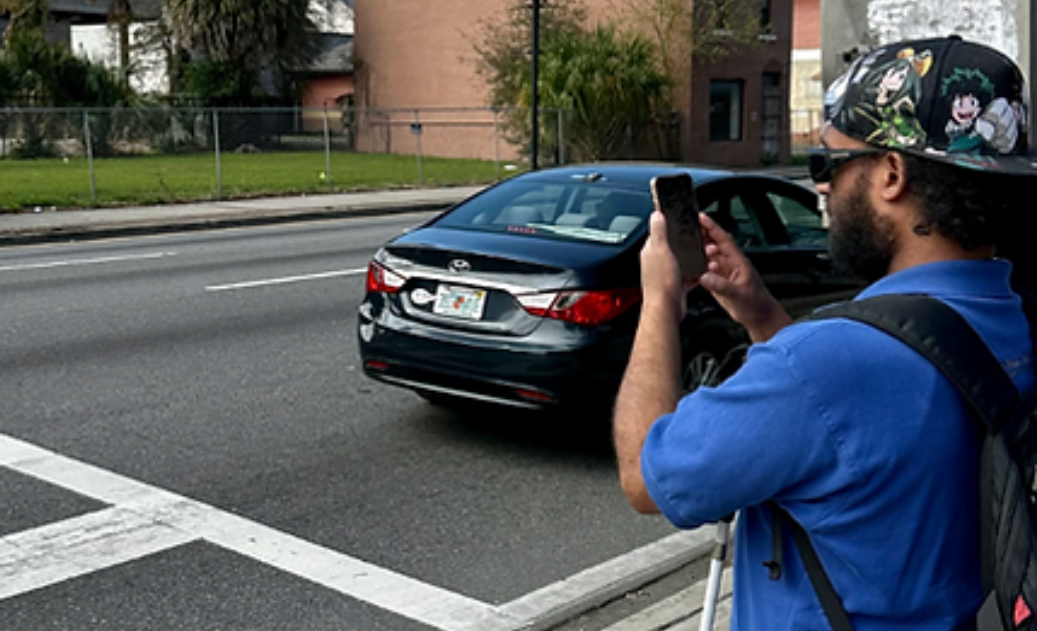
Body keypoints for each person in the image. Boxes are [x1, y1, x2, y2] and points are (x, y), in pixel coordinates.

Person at [613, 35, 1037, 630]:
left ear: (891, 174)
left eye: (828, 165)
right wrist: (762, 316)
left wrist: (658, 302)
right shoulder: (1016, 317)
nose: (820, 187)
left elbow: (644, 476)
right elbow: (864, 432)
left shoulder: (820, 366)